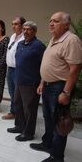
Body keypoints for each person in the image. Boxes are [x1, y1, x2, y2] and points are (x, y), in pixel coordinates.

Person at [30, 12, 82, 162]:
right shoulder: (54, 39)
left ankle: (57, 156)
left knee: (59, 121)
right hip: (47, 85)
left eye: (56, 21)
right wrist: (42, 82)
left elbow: (75, 68)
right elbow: (48, 64)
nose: (51, 23)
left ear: (66, 24)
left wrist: (66, 92)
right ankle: (47, 143)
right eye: (51, 20)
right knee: (48, 117)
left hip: (60, 87)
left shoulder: (71, 40)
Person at [7, 21, 46, 142]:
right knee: (18, 105)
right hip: (18, 80)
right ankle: (19, 126)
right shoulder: (20, 44)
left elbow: (44, 65)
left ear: (34, 31)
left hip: (30, 83)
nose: (25, 31)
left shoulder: (38, 46)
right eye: (24, 29)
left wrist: (41, 83)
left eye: (28, 29)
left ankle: (28, 133)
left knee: (29, 109)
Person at [2, 16, 26, 120]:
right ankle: (14, 111)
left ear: (22, 25)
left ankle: (19, 114)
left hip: (18, 70)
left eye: (16, 24)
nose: (13, 26)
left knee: (18, 94)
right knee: (12, 93)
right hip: (10, 69)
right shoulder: (12, 36)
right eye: (12, 24)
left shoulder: (24, 38)